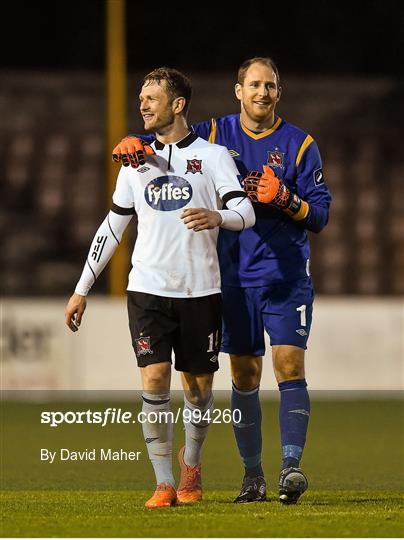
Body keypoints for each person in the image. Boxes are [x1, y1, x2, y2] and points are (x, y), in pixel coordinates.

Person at [110, 57, 332, 505]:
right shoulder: (214, 135)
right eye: (254, 85)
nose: (262, 93)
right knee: (244, 373)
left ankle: (291, 467)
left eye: (269, 86)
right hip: (231, 278)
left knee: (289, 365)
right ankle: (253, 476)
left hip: (285, 277)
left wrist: (286, 199)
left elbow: (321, 215)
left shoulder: (301, 144)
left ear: (278, 92)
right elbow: (173, 140)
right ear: (238, 91)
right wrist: (136, 140)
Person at [65, 67, 255, 509]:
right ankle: (165, 482)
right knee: (154, 378)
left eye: (152, 97)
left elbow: (246, 212)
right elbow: (112, 227)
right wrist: (81, 289)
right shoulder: (134, 161)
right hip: (148, 289)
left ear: (178, 104)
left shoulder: (212, 157)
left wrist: (218, 217)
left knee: (198, 390)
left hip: (201, 290)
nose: (143, 104)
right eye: (141, 98)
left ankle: (192, 465)